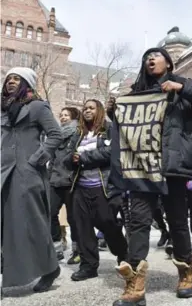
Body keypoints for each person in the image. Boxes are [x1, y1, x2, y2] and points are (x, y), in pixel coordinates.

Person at [112, 47, 192, 306]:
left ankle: (186, 272)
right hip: (142, 166)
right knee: (137, 221)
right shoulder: (137, 94)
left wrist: (181, 88)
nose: (150, 58)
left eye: (156, 55)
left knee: (178, 221)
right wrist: (116, 111)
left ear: (169, 63)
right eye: (146, 56)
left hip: (173, 165)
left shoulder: (183, 85)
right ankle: (135, 283)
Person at [1, 67, 61, 291]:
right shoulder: (3, 108)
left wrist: (37, 159)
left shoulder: (37, 106)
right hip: (3, 173)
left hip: (27, 174)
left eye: (17, 78)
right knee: (7, 225)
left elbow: (55, 134)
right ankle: (10, 267)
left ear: (27, 83)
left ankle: (50, 268)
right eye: (9, 79)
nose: (11, 82)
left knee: (32, 224)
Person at [63, 99, 129, 281]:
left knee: (106, 222)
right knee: (82, 226)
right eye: (84, 108)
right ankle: (89, 266)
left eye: (91, 108)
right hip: (80, 187)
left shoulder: (109, 129)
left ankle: (123, 252)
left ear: (99, 110)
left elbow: (112, 153)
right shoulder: (78, 133)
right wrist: (73, 158)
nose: (87, 111)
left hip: (103, 186)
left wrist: (83, 157)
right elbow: (66, 157)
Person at [49, 107, 81, 264]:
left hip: (71, 181)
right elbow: (52, 159)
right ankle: (56, 248)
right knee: (50, 213)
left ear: (74, 117)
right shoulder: (55, 136)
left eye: (66, 115)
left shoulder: (78, 133)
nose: (62, 118)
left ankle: (77, 250)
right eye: (60, 115)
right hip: (55, 180)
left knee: (73, 217)